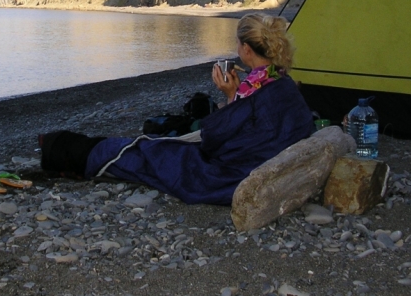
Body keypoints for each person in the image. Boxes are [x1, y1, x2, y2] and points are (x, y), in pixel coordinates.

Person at [40, 14, 315, 205]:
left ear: (245, 49)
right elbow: (253, 128)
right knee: (154, 147)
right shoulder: (278, 79)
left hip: (233, 173)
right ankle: (72, 150)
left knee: (153, 153)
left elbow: (219, 142)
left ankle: (62, 149)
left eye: (237, 44)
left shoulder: (250, 87)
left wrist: (230, 94)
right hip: (262, 159)